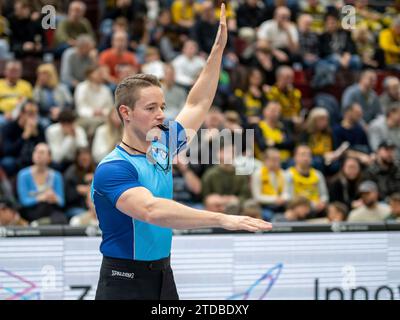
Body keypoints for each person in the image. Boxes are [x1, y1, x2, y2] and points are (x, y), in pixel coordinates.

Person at [92, 5, 272, 301]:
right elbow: (152, 211)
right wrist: (222, 219)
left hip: (163, 274)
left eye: (162, 106)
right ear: (125, 112)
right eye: (151, 108)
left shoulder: (163, 142)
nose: (161, 114)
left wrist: (217, 51)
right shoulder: (114, 168)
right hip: (124, 281)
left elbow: (197, 104)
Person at [16, 143, 67, 224]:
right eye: (36, 151)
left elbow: (62, 202)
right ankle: (39, 222)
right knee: (42, 206)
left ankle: (40, 223)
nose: (38, 155)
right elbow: (24, 201)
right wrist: (41, 197)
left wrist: (54, 198)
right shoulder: (23, 174)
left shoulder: (56, 176)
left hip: (50, 209)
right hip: (31, 210)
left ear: (49, 158)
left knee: (60, 218)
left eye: (42, 152)